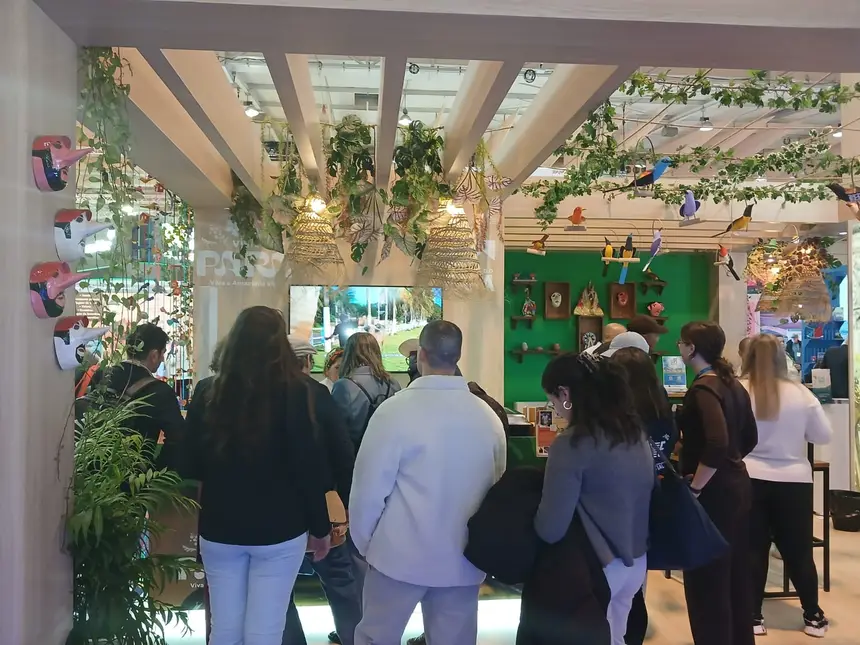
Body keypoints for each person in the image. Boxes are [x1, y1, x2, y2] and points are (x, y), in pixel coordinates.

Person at [181, 306, 333, 645]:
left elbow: (189, 466)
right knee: (265, 630)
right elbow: (308, 466)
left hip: (220, 527)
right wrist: (320, 528)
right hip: (281, 528)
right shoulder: (297, 392)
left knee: (224, 628)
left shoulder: (207, 392)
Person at [349, 321, 507, 645]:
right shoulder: (487, 416)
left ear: (420, 354)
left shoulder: (393, 412)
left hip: (398, 556)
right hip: (462, 558)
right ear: (458, 356)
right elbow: (497, 488)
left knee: (376, 638)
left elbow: (367, 493)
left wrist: (369, 547)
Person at [535, 352, 653, 645]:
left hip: (597, 566)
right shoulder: (634, 433)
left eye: (552, 400)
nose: (555, 409)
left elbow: (551, 528)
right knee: (616, 636)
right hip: (636, 563)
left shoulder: (572, 444)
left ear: (565, 393)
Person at [739, 334, 831, 638]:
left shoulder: (739, 390)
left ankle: (753, 616)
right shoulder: (801, 394)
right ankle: (813, 616)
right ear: (783, 358)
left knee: (753, 549)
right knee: (799, 551)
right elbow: (822, 435)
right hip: (794, 481)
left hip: (749, 477)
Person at [676, 321, 758, 645]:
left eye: (682, 342)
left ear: (692, 348)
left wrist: (697, 484)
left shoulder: (704, 389)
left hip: (713, 495)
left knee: (707, 582)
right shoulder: (733, 385)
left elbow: (717, 442)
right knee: (735, 577)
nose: (678, 347)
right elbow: (749, 438)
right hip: (738, 487)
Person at [282, 337, 360, 645]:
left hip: (279, 508)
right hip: (325, 503)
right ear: (305, 362)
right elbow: (342, 451)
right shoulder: (316, 393)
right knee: (341, 582)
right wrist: (346, 500)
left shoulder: (258, 395)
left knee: (280, 589)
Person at [610, 346, 679, 645]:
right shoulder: (662, 407)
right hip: (656, 494)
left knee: (620, 584)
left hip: (625, 501)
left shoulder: (622, 416)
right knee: (636, 582)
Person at [89, 323, 185, 469]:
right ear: (154, 355)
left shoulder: (101, 375)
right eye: (163, 353)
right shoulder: (160, 391)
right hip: (133, 474)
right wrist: (155, 470)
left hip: (93, 470)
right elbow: (178, 438)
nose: (162, 359)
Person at [331, 332, 401, 449]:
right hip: (387, 452)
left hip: (356, 453)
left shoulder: (343, 386)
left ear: (349, 354)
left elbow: (336, 430)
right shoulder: (393, 383)